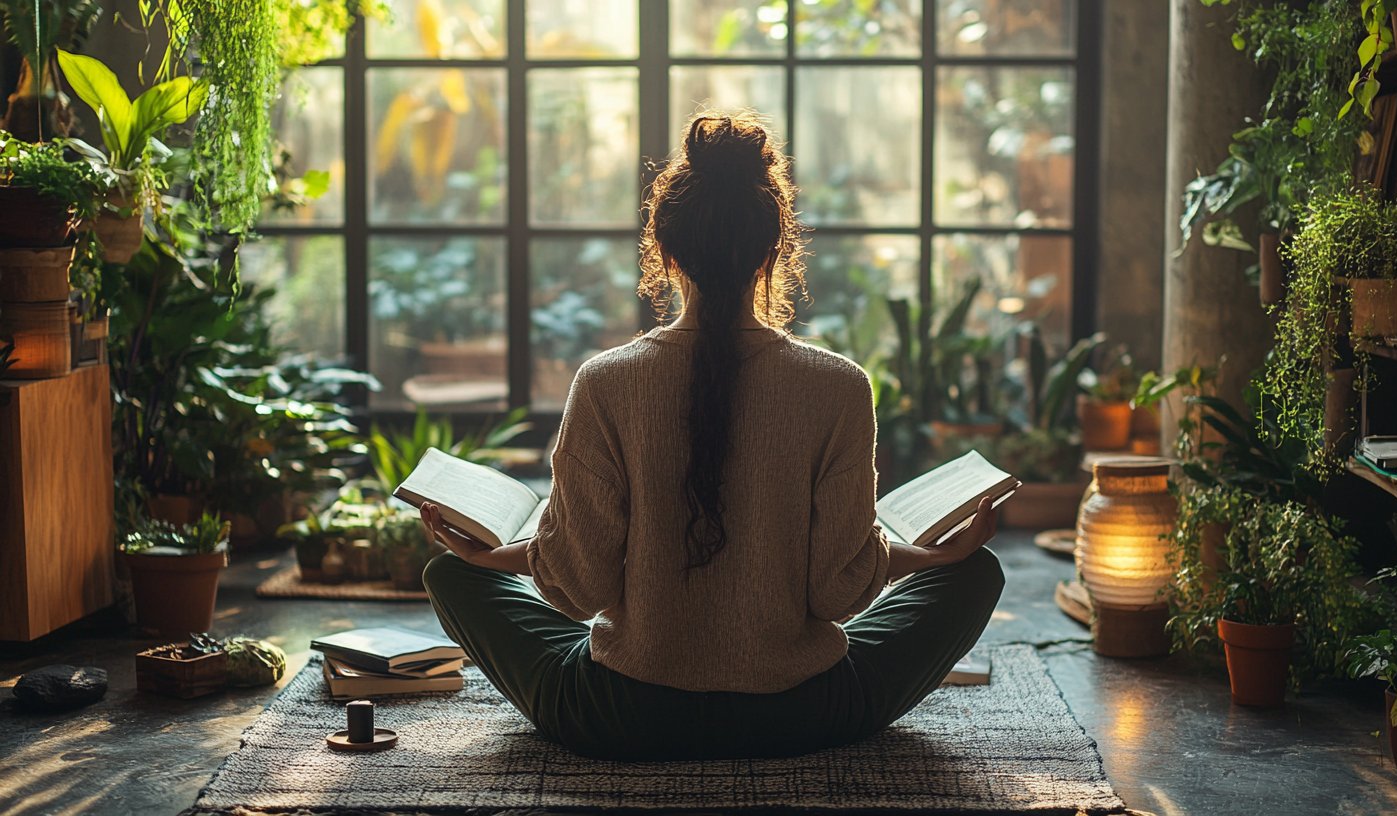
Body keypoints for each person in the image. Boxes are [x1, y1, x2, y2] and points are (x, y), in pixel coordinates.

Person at [420, 113, 1004, 761]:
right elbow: (838, 592)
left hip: (618, 714)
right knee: (975, 575)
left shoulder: (606, 382)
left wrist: (485, 556)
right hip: (806, 713)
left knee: (450, 575)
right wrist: (936, 556)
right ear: (773, 250)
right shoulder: (839, 385)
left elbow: (577, 586)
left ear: (665, 254)